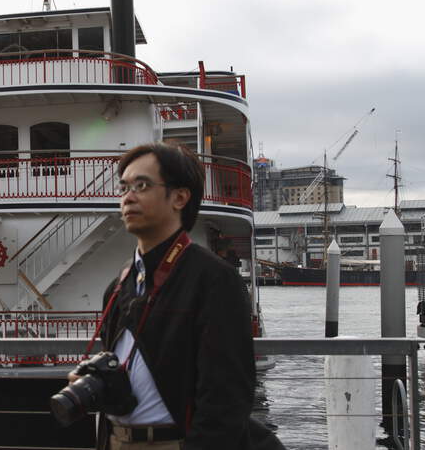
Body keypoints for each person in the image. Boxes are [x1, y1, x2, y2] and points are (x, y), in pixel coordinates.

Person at [71, 143, 281, 450]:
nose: (128, 197)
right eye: (123, 188)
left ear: (180, 197)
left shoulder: (214, 280)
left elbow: (226, 400)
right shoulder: (119, 285)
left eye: (142, 186)